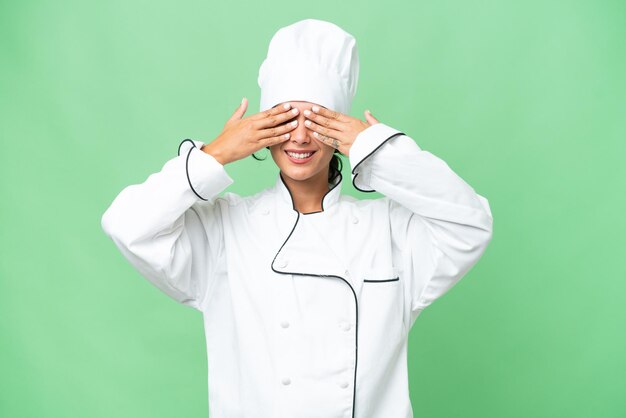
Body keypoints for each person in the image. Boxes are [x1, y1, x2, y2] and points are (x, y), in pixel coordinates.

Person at [101, 18, 493, 418]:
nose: (300, 138)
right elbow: (127, 225)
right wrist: (213, 156)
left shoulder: (390, 230)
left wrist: (380, 151)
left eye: (317, 120)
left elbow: (470, 223)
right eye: (285, 119)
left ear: (340, 128)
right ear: (262, 128)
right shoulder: (225, 231)